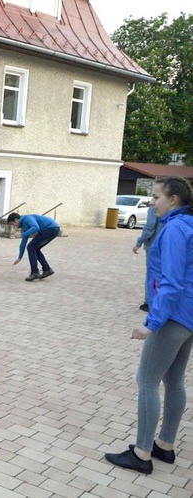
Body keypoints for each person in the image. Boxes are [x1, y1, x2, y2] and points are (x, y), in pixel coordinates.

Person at [105, 176, 193, 475]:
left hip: (173, 316)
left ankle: (141, 453)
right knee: (174, 380)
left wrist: (152, 323)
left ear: (174, 200)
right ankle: (164, 446)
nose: (152, 202)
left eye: (156, 196)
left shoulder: (175, 230)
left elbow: (171, 281)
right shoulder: (188, 225)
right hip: (188, 316)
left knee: (147, 380)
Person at [7, 212, 60, 281]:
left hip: (51, 228)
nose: (14, 226)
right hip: (51, 229)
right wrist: (20, 257)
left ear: (16, 220)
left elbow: (36, 227)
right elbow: (23, 243)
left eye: (12, 224)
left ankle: (35, 272)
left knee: (31, 247)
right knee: (34, 248)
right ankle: (47, 269)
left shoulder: (27, 218)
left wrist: (22, 234)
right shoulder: (24, 226)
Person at [133, 205, 162, 312]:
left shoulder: (155, 206)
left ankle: (149, 302)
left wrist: (139, 242)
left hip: (154, 245)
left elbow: (150, 226)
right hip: (167, 244)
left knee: (152, 274)